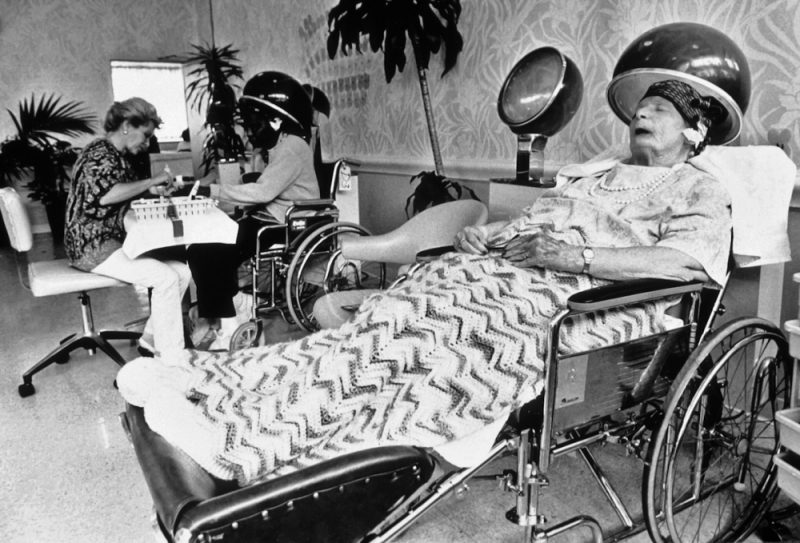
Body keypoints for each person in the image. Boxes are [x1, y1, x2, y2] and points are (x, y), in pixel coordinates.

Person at [117, 79, 732, 486]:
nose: (642, 115)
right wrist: (486, 234)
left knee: (432, 344)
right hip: (505, 270)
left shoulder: (698, 187)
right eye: (640, 108)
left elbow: (687, 265)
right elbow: (532, 223)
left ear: (696, 131)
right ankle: (213, 385)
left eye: (662, 110)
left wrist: (576, 257)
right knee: (384, 321)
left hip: (581, 301)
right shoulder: (591, 175)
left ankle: (247, 442)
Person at [185, 71, 319, 350]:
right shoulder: (279, 146)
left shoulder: (293, 146)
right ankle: (227, 309)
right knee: (198, 250)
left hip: (287, 225)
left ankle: (232, 318)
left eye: (252, 124)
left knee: (215, 253)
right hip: (268, 219)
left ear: (277, 119)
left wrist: (212, 191)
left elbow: (262, 192)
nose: (247, 131)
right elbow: (262, 190)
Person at [64, 97, 191, 357]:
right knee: (165, 277)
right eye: (144, 135)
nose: (146, 142)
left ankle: (151, 341)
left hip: (109, 241)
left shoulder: (116, 156)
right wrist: (152, 180)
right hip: (91, 246)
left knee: (181, 272)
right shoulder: (99, 153)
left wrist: (151, 188)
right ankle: (171, 359)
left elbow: (125, 193)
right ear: (126, 126)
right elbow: (107, 195)